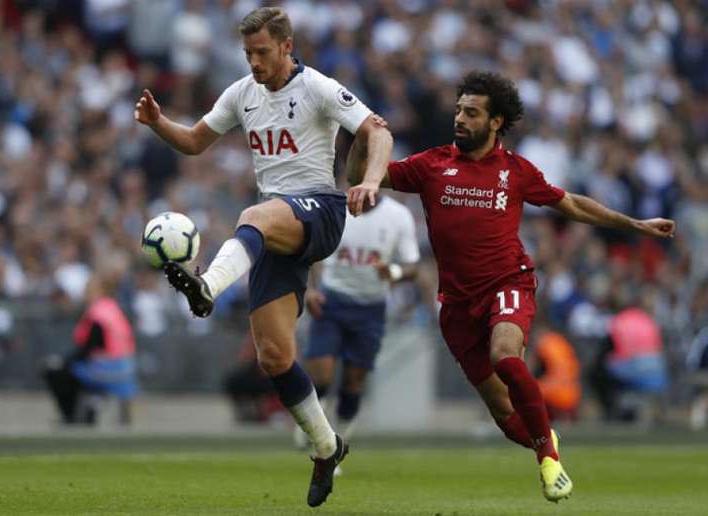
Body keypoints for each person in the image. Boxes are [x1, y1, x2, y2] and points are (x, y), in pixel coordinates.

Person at [347, 70, 676, 503]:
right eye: (459, 110)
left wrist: (634, 224)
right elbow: (360, 177)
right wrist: (359, 138)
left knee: (506, 353)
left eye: (471, 112)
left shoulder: (516, 171)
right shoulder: (431, 165)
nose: (459, 119)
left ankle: (547, 459)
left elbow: (572, 204)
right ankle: (547, 439)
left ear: (496, 121)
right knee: (505, 416)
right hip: (456, 305)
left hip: (508, 282)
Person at [134, 7, 392, 508]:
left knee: (252, 215)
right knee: (274, 357)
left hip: (320, 211)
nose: (254, 62)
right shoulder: (242, 93)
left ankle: (207, 286)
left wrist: (370, 181)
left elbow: (377, 132)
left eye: (262, 53)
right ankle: (326, 446)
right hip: (276, 230)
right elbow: (194, 142)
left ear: (286, 47)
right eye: (247, 53)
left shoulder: (317, 86)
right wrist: (159, 122)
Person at [294, 194, 420, 452]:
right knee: (322, 372)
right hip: (332, 300)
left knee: (353, 381)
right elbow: (314, 253)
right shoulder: (335, 208)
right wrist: (312, 289)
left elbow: (412, 266)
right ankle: (314, 430)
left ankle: (338, 442)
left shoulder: (398, 216)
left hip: (371, 307)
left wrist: (393, 272)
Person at [43, 273, 137, 425]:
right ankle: (91, 404)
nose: (85, 293)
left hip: (106, 369)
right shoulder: (113, 309)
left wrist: (62, 361)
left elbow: (87, 349)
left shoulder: (97, 313)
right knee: (71, 369)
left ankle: (72, 416)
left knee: (56, 372)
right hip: (126, 368)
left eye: (88, 289)